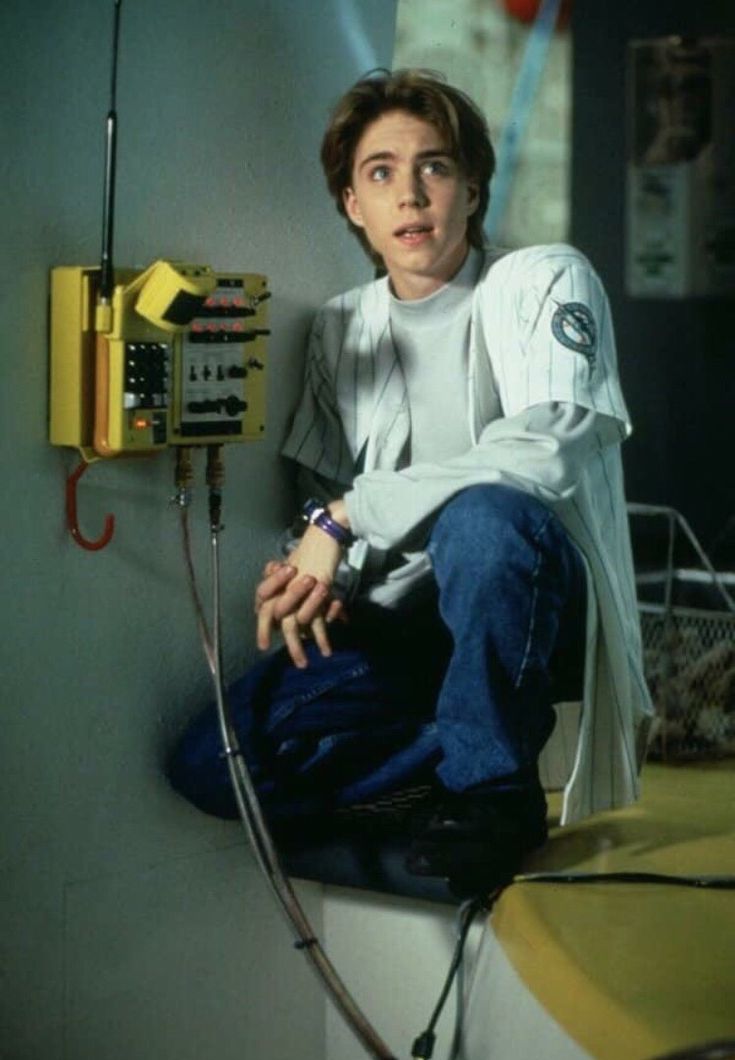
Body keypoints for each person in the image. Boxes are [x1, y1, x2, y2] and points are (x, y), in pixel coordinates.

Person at [169, 69, 653, 898]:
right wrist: (311, 571)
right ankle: (455, 753)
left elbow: (546, 449)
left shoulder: (543, 279)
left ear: (471, 186)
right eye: (380, 172)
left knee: (484, 518)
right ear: (352, 205)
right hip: (409, 633)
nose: (410, 194)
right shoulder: (340, 328)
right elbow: (316, 502)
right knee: (212, 765)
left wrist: (349, 516)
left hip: (536, 610)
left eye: (434, 166)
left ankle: (493, 794)